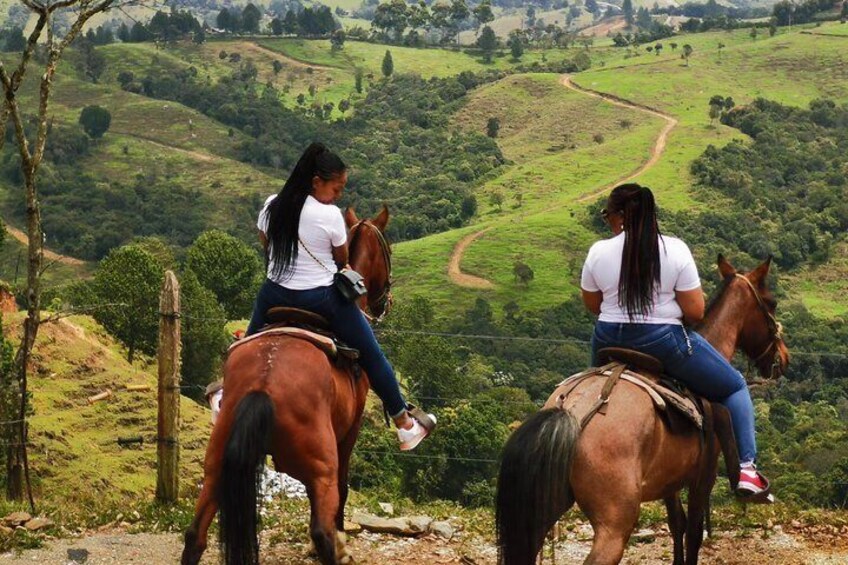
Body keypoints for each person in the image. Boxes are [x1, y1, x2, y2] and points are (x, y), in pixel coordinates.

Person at [579, 183, 769, 497]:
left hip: (608, 336)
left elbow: (593, 306)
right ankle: (747, 469)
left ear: (620, 216)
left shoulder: (598, 251)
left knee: (590, 389)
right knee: (734, 385)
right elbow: (695, 312)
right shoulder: (674, 249)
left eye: (607, 215)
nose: (607, 222)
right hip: (662, 341)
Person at [245, 142, 435, 451]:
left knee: (246, 344)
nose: (339, 195)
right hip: (320, 299)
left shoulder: (271, 205)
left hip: (273, 294)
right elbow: (340, 260)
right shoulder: (330, 215)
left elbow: (265, 242)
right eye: (336, 188)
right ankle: (405, 424)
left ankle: (225, 395)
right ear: (316, 182)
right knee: (373, 355)